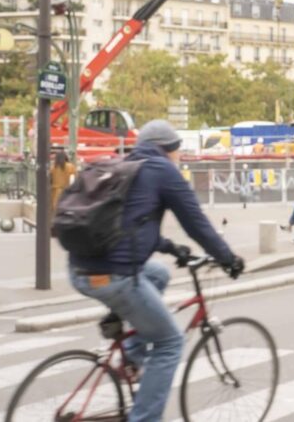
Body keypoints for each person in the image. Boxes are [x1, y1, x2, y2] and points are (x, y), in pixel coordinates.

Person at [68, 119, 244, 422]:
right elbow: (197, 224)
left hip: (80, 268)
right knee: (170, 342)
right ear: (169, 150)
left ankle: (133, 356)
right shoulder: (162, 171)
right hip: (115, 276)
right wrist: (228, 258)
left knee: (158, 274)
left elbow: (127, 227)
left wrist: (170, 248)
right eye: (178, 151)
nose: (179, 157)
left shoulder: (123, 166)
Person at [50, 150, 76, 224]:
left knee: (56, 211)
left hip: (55, 192)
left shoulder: (53, 168)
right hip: (66, 192)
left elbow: (50, 180)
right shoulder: (70, 166)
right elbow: (73, 180)